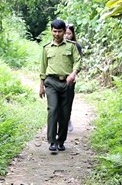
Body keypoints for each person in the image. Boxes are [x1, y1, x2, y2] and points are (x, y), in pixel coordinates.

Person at [39, 19, 81, 153]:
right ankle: (52, 141)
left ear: (64, 32)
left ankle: (61, 140)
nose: (57, 34)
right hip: (51, 82)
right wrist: (41, 85)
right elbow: (43, 67)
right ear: (51, 31)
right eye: (54, 31)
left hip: (67, 83)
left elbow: (78, 61)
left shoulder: (71, 46)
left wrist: (73, 74)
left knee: (65, 112)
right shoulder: (46, 48)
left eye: (60, 31)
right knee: (53, 110)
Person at [64, 23, 83, 132]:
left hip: (71, 78)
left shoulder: (76, 46)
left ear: (73, 34)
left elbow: (79, 62)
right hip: (58, 78)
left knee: (68, 100)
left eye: (69, 34)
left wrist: (74, 74)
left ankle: (67, 119)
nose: (67, 36)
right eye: (65, 33)